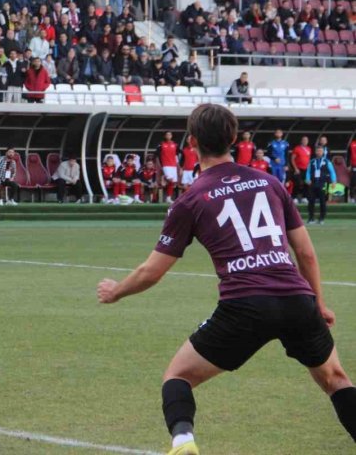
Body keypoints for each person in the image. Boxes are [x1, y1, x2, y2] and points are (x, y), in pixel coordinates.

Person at [97, 104, 356, 454]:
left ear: (191, 143)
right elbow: (306, 254)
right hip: (296, 298)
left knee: (178, 377)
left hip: (244, 304)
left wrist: (116, 292)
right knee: (335, 379)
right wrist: (318, 304)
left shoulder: (190, 200)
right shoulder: (271, 183)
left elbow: (152, 271)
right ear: (233, 139)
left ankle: (184, 441)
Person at [306, 145, 336, 225]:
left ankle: (321, 218)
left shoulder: (327, 161)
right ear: (315, 152)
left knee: (322, 201)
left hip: (322, 183)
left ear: (323, 152)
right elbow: (308, 171)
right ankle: (311, 218)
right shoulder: (312, 161)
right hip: (313, 183)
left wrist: (333, 181)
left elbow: (332, 172)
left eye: (320, 151)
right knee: (311, 201)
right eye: (317, 151)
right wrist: (308, 179)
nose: (319, 152)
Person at [156, 131, 180, 203]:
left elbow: (177, 154)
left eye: (170, 134)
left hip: (173, 165)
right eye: (167, 134)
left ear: (172, 136)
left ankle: (168, 198)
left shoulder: (175, 145)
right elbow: (157, 154)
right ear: (165, 136)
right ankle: (163, 178)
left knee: (172, 183)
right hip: (165, 165)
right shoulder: (161, 144)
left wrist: (179, 165)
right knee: (170, 179)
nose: (168, 136)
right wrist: (159, 164)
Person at [291, 136, 312, 204]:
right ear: (301, 141)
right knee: (297, 183)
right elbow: (292, 159)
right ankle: (294, 197)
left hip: (307, 169)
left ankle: (304, 197)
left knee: (307, 183)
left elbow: (309, 159)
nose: (305, 141)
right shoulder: (297, 148)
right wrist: (295, 168)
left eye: (306, 140)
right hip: (298, 169)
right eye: (304, 140)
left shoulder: (309, 149)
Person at [349, 137, 356, 204]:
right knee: (353, 182)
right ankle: (352, 197)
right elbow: (348, 155)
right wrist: (348, 165)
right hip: (354, 165)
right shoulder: (352, 144)